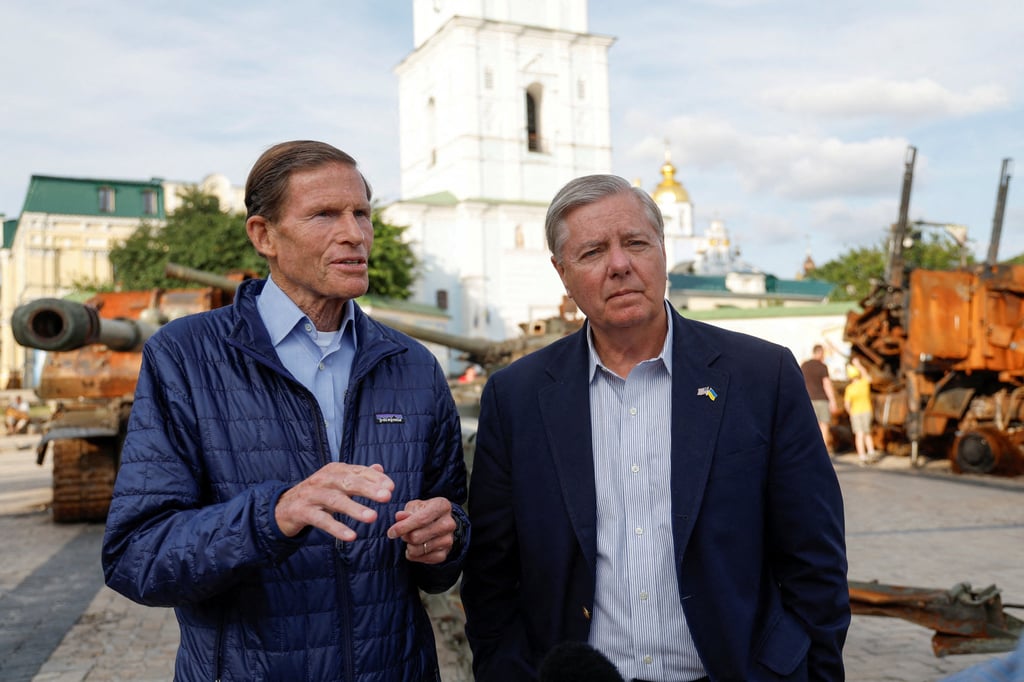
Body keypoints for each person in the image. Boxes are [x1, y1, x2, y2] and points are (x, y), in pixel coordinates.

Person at [102, 141, 469, 681]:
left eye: (361, 214)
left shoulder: (412, 365)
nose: (355, 234)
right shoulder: (184, 356)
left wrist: (445, 538)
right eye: (324, 214)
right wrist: (272, 516)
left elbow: (449, 542)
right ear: (263, 235)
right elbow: (138, 557)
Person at [461, 174, 849, 681]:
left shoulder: (761, 376)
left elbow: (814, 559)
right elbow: (492, 576)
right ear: (562, 273)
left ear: (663, 250)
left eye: (636, 243)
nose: (620, 265)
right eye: (593, 251)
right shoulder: (516, 397)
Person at [801, 343, 839, 453]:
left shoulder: (804, 366)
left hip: (809, 400)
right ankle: (823, 451)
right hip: (822, 399)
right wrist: (832, 401)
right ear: (820, 352)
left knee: (811, 426)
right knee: (824, 425)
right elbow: (826, 384)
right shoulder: (822, 366)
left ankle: (810, 451)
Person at [844, 357, 877, 464]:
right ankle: (871, 452)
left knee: (859, 434)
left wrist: (850, 413)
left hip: (855, 413)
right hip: (867, 411)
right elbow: (867, 376)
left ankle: (862, 456)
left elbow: (847, 404)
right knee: (867, 433)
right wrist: (858, 364)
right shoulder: (864, 383)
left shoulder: (849, 389)